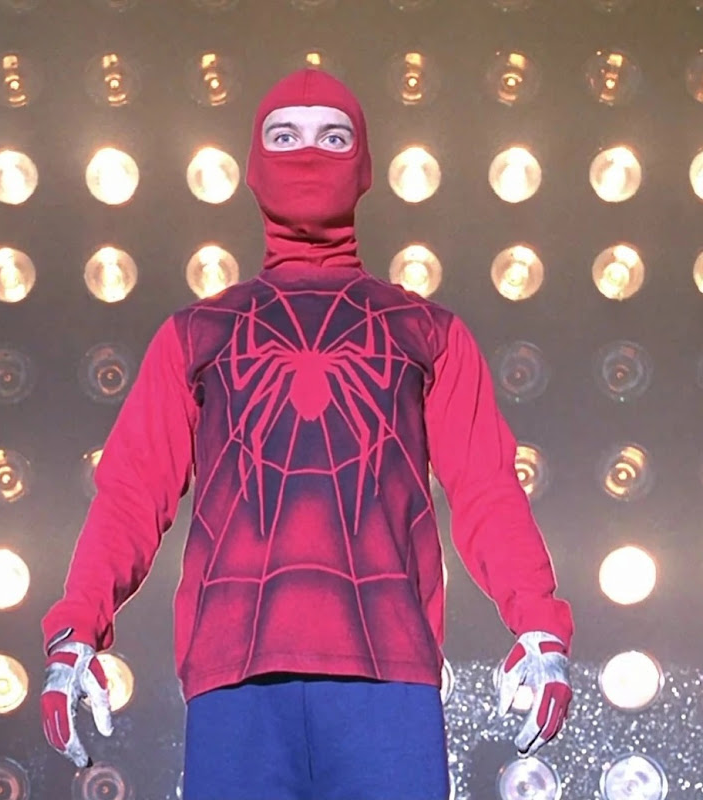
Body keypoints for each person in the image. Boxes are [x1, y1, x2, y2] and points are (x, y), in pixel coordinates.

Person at [40, 68, 574, 800]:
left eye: (333, 136)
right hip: (235, 669)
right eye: (285, 136)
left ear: (365, 165)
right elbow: (133, 492)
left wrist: (539, 622)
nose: (309, 154)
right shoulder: (198, 334)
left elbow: (485, 487)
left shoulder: (426, 331)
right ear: (255, 165)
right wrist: (76, 624)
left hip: (387, 666)